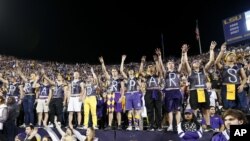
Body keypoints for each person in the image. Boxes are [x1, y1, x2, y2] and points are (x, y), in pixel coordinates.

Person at [184, 41, 216, 131]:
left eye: (197, 61)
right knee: (194, 109)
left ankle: (208, 125)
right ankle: (194, 125)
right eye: (194, 62)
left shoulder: (204, 70)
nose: (196, 62)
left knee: (206, 109)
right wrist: (185, 52)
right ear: (192, 65)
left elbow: (212, 61)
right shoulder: (190, 72)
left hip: (203, 90)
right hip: (194, 91)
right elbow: (185, 62)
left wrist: (211, 50)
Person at [215, 42, 247, 112]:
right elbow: (216, 62)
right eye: (230, 55)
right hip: (226, 87)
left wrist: (242, 85)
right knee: (228, 107)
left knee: (241, 106)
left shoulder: (239, 66)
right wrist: (222, 51)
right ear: (225, 58)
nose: (232, 56)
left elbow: (244, 78)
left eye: (233, 55)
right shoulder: (223, 66)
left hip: (237, 86)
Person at [99, 56, 124, 130]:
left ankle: (119, 125)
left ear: (117, 72)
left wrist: (121, 97)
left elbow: (122, 89)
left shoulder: (120, 79)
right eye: (112, 71)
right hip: (110, 95)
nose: (113, 72)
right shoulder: (110, 78)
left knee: (118, 111)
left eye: (115, 71)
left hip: (117, 94)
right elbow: (104, 71)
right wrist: (102, 63)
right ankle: (109, 125)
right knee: (110, 111)